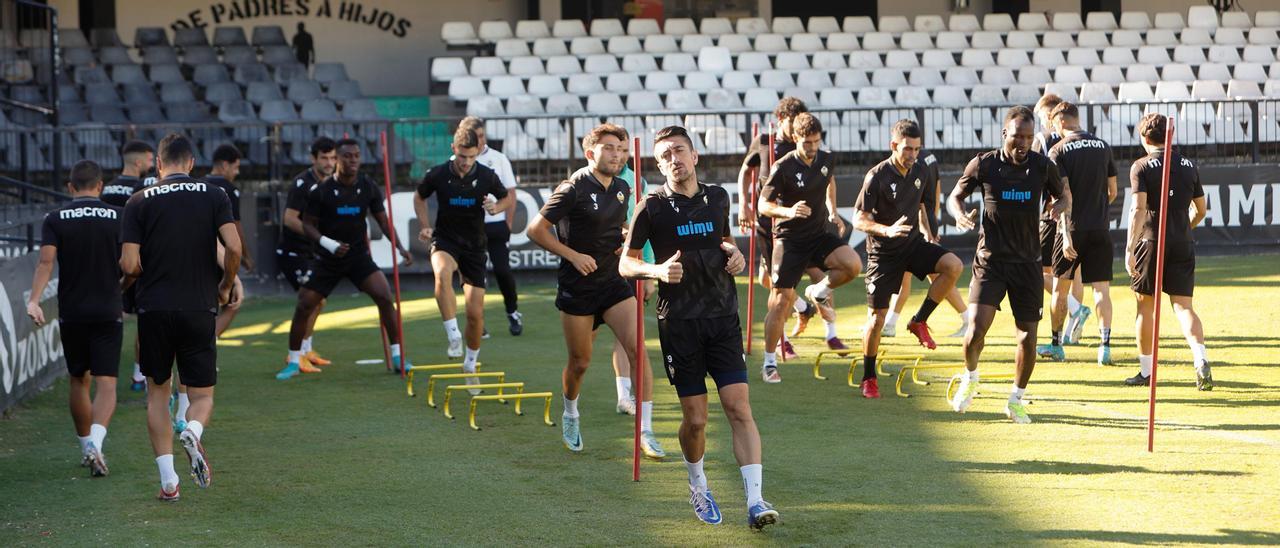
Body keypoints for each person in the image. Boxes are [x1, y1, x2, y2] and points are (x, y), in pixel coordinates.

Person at [621, 125, 777, 530]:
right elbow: (626, 262)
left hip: (723, 318)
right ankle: (697, 482)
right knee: (696, 420)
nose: (674, 159)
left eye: (679, 151)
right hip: (680, 324)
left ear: (695, 157)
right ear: (659, 165)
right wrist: (655, 269)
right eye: (665, 155)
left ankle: (756, 501)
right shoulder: (650, 206)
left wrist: (736, 257)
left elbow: (723, 242)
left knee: (738, 406)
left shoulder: (718, 197)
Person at [526, 123, 663, 458]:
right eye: (609, 148)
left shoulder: (622, 188)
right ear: (591, 153)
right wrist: (573, 256)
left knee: (638, 353)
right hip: (577, 288)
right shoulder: (572, 188)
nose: (617, 155)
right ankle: (571, 413)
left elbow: (619, 228)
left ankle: (646, 430)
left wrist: (624, 242)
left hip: (613, 283)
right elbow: (536, 230)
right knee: (580, 361)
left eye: (621, 149)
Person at [120, 133, 241, 501]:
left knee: (158, 394)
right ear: (191, 163)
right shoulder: (214, 195)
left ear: (158, 164)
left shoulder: (138, 200)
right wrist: (226, 284)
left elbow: (129, 264)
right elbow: (233, 246)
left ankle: (169, 482)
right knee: (202, 395)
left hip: (154, 309)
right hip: (198, 306)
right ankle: (193, 430)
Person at [947, 106, 1072, 424]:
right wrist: (959, 214)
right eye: (1018, 136)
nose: (1024, 143)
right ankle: (970, 378)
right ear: (1005, 134)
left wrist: (1059, 206)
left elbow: (1065, 196)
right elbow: (955, 197)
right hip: (990, 262)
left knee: (1027, 337)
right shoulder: (985, 164)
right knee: (975, 329)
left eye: (1030, 137)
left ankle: (1016, 399)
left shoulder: (1043, 166)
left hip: (1028, 264)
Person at [278, 138, 413, 380]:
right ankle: (294, 360)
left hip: (358, 256)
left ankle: (397, 356)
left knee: (384, 295)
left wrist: (400, 248)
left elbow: (382, 220)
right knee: (304, 305)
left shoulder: (368, 186)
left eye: (357, 156)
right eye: (347, 156)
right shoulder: (321, 191)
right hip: (327, 259)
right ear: (338, 160)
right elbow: (307, 225)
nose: (353, 160)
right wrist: (328, 244)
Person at [853, 120, 963, 398]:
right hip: (883, 254)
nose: (913, 154)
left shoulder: (921, 169)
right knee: (877, 319)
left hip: (913, 245)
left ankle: (918, 321)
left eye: (917, 148)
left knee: (953, 266)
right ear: (894, 146)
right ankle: (868, 377)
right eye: (907, 149)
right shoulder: (876, 176)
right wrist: (886, 230)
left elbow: (924, 205)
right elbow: (859, 219)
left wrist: (928, 233)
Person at [26, 160, 122, 478]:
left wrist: (34, 300)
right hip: (108, 308)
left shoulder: (55, 219)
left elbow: (45, 261)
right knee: (107, 384)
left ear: (70, 187)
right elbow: (132, 263)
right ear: (100, 186)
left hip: (73, 311)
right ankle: (96, 441)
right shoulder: (116, 216)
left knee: (79, 380)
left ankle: (86, 448)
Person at [758, 113, 862, 383]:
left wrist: (833, 211)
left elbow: (829, 181)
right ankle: (769, 363)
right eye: (807, 142)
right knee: (780, 302)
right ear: (795, 139)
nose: (812, 148)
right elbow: (762, 205)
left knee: (853, 265)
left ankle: (819, 291)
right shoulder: (782, 167)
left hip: (817, 234)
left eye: (816, 141)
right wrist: (788, 211)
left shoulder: (826, 158)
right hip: (789, 240)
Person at [736, 97, 843, 356]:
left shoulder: (810, 148)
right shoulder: (764, 142)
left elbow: (828, 178)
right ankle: (792, 322)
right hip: (770, 222)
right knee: (773, 282)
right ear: (782, 120)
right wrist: (744, 204)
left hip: (807, 225)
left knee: (820, 275)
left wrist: (832, 210)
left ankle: (832, 333)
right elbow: (746, 172)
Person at [415, 127, 512, 388]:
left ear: (477, 152)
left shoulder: (486, 175)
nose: (466, 162)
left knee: (475, 314)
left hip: (475, 246)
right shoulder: (437, 173)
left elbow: (507, 197)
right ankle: (452, 334)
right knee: (442, 272)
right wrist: (424, 225)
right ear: (453, 149)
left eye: (471, 157)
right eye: (461, 156)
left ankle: (470, 363)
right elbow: (419, 197)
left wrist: (496, 207)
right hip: (445, 239)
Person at [1124, 114, 1212, 390]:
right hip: (1182, 241)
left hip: (1150, 241)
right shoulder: (1188, 165)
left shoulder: (1141, 166)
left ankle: (1147, 371)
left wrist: (1129, 248)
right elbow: (1201, 210)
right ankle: (1200, 359)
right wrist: (1187, 227)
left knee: (1145, 307)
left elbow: (1138, 210)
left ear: (1144, 138)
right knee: (1184, 307)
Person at [1037, 102, 1118, 364]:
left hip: (1072, 229)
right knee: (1101, 289)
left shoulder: (1058, 150)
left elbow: (1064, 196)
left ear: (1060, 122)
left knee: (1060, 289)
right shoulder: (1103, 146)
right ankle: (1104, 346)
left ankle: (1056, 344)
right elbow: (1113, 191)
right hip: (1100, 227)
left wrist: (1066, 233)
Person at [878, 148, 970, 340]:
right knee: (936, 278)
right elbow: (936, 188)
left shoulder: (914, 162)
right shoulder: (929, 157)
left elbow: (926, 195)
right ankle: (891, 323)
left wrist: (927, 229)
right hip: (926, 221)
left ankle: (891, 324)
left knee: (915, 278)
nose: (911, 151)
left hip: (919, 224)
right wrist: (933, 219)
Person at [457, 116, 524, 336]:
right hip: (469, 230)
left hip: (496, 227)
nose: (481, 140)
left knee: (503, 271)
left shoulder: (498, 158)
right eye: (476, 137)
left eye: (483, 135)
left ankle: (513, 313)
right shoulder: (457, 161)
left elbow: (510, 194)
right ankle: (478, 321)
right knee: (474, 277)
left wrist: (508, 223)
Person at [277, 137, 338, 373]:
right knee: (313, 301)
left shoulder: (333, 182)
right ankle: (297, 354)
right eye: (324, 158)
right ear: (313, 159)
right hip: (293, 253)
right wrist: (319, 237)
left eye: (333, 157)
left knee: (318, 301)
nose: (329, 162)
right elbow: (290, 218)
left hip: (312, 253)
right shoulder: (303, 183)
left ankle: (306, 350)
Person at [1034, 94, 1091, 341]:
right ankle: (1073, 330)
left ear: (1050, 116)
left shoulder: (1044, 140)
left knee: (1045, 272)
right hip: (1082, 214)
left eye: (1041, 118)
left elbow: (1036, 176)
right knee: (1074, 272)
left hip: (1053, 214)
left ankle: (1075, 311)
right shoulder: (1082, 140)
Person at [610, 131, 655, 416]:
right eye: (615, 149)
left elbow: (644, 230)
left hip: (627, 266)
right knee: (581, 354)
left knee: (627, 336)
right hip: (594, 270)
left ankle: (624, 395)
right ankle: (571, 405)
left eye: (625, 150)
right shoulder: (582, 179)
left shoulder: (637, 181)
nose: (621, 155)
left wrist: (647, 271)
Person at [104, 140, 154, 391]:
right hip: (140, 260)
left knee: (114, 316)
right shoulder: (148, 189)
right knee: (145, 319)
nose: (152, 163)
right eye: (149, 159)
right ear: (138, 161)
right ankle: (138, 374)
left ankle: (104, 371)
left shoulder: (108, 190)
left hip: (113, 260)